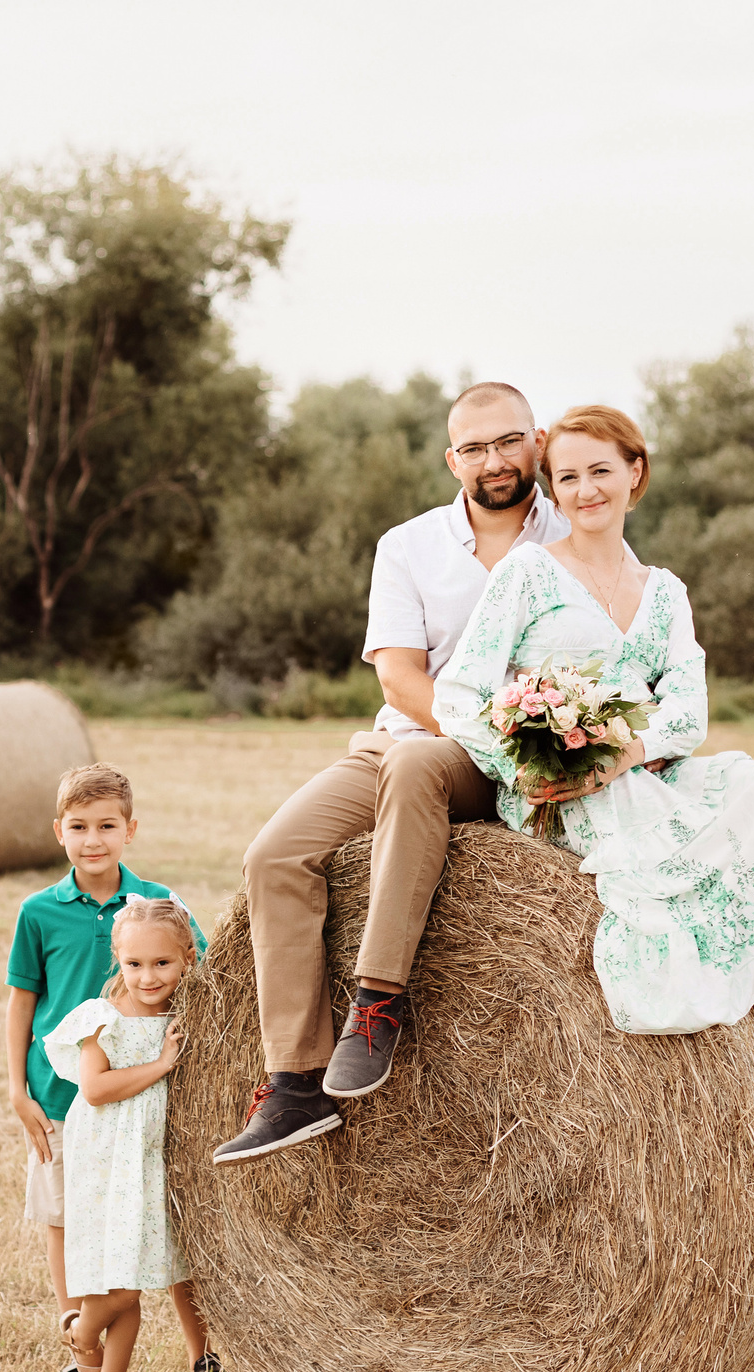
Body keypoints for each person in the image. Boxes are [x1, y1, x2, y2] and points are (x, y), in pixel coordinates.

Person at [431, 404, 754, 1237]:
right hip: (568, 800)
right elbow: (456, 694)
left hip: (649, 772)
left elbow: (689, 710)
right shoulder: (528, 575)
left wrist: (632, 746)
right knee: (744, 891)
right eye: (568, 475)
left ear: (635, 475)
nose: (584, 489)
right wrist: (529, 765)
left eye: (600, 471)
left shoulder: (664, 593)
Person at [214, 382, 570, 1165]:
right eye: (474, 448)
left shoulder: (574, 533)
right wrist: (470, 728)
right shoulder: (408, 545)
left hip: (511, 760)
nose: (494, 461)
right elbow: (401, 680)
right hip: (411, 737)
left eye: (508, 441)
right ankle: (295, 1083)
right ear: (452, 459)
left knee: (415, 763)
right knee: (274, 855)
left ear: (537, 441)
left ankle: (377, 999)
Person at [3, 764, 245, 1372]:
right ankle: (78, 1362)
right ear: (60, 832)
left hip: (155, 1106)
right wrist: (15, 1089)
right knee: (69, 1221)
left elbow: (204, 973)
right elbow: (21, 1002)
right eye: (79, 827)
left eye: (107, 826)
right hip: (63, 1096)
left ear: (129, 830)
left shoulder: (155, 905)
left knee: (167, 1223)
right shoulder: (39, 912)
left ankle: (206, 1355)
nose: (93, 839)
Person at [42, 898, 198, 1372]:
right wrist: (160, 1066)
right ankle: (83, 1336)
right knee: (118, 1284)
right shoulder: (102, 1018)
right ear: (118, 960)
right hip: (107, 1160)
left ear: (187, 960)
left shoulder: (189, 1019)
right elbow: (96, 1088)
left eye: (162, 964)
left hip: (151, 1163)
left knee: (129, 1276)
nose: (148, 976)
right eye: (134, 964)